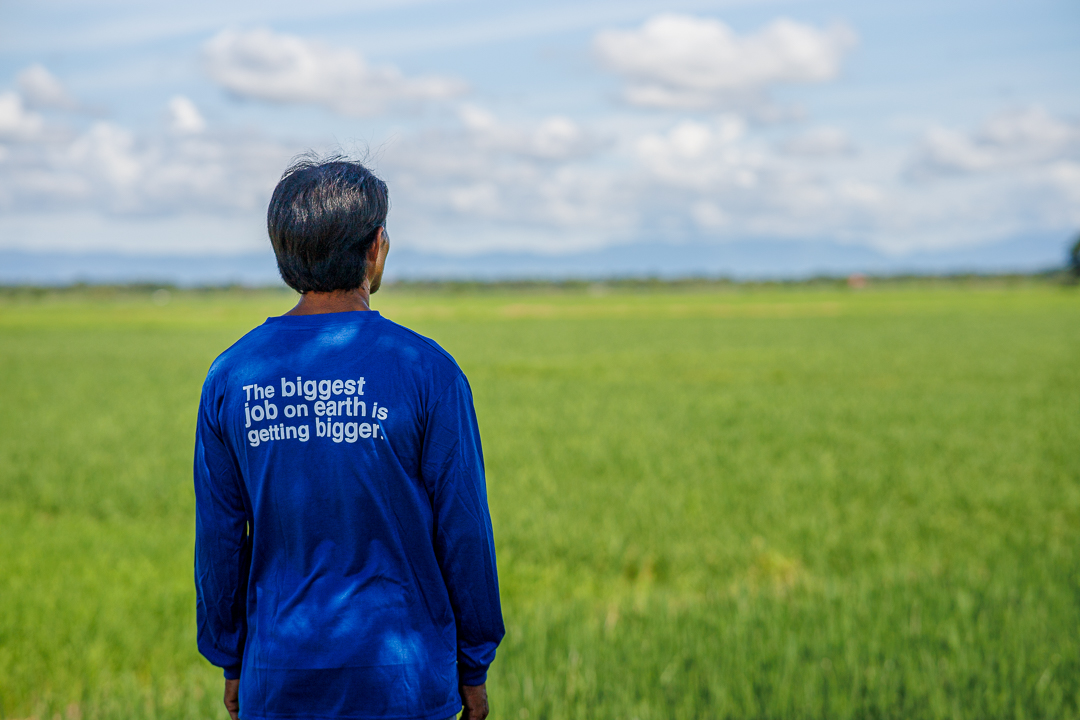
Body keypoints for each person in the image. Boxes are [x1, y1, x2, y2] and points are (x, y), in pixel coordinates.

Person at [193, 156, 504, 720]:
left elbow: (219, 540)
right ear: (376, 247)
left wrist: (232, 660)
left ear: (284, 253)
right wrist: (474, 663)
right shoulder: (427, 370)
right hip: (405, 684)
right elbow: (464, 530)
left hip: (277, 678)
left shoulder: (231, 377)